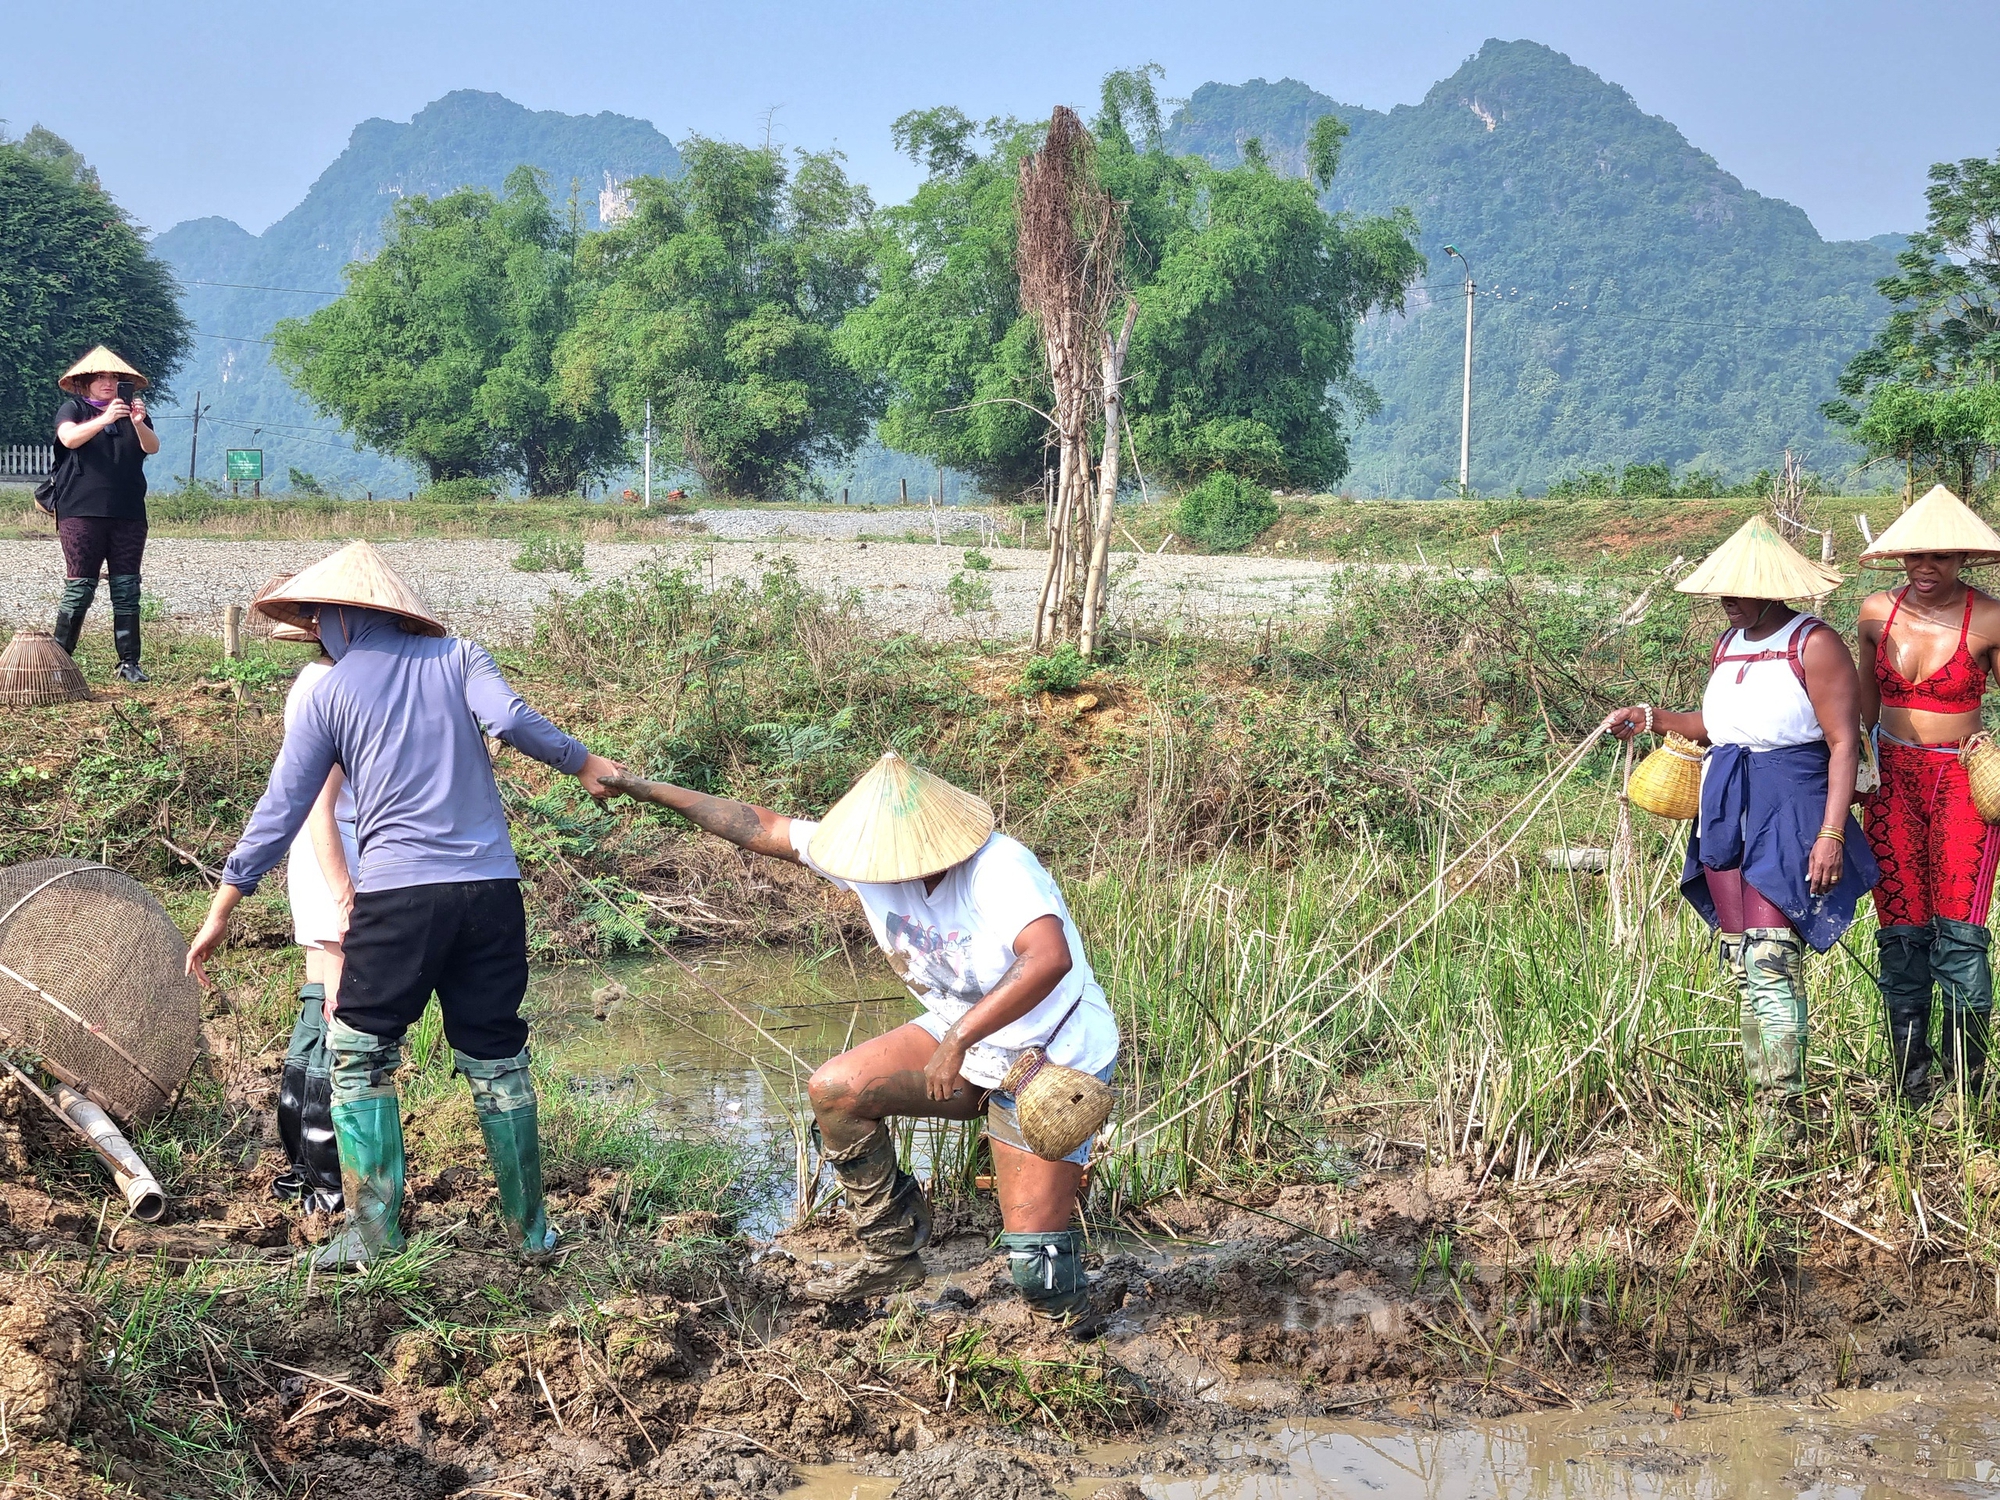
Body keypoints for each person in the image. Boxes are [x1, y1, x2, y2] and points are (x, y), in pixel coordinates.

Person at [183, 541, 623, 1268]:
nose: (317, 631)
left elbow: (281, 809)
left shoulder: (326, 692)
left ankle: (376, 1234)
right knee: (496, 1054)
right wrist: (584, 763)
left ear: (344, 618)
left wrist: (224, 905)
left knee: (357, 1052)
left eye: (319, 618)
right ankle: (532, 1234)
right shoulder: (459, 656)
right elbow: (509, 722)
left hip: (400, 895)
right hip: (491, 893)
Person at [607, 751, 1119, 1329]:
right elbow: (762, 826)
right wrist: (650, 790)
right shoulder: (862, 858)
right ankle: (890, 1250)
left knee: (1037, 1273)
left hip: (1048, 1058)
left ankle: (1077, 1335)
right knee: (837, 1090)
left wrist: (957, 1039)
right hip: (965, 1040)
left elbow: (1048, 958)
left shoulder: (998, 867)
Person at [1607, 515, 1877, 1118]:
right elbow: (1721, 727)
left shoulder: (1815, 644)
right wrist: (1652, 718)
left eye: (1740, 592)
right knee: (1741, 959)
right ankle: (1765, 1093)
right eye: (1723, 593)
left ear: (1772, 587)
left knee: (1771, 954)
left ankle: (1784, 1108)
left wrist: (1831, 832)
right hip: (1727, 798)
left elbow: (1842, 743)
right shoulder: (1727, 647)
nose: (1729, 602)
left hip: (1793, 801)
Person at [1853, 485, 2000, 1104]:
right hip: (1891, 781)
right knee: (1902, 927)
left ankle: (1966, 1088)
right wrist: (1855, 774)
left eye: (1940, 557)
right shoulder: (1874, 613)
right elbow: (1862, 707)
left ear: (1962, 559)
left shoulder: (1989, 618)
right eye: (1915, 556)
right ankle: (1913, 1084)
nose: (1926, 568)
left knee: (1960, 929)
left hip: (1962, 782)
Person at [266, 597, 355, 1212]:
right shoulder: (335, 686)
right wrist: (347, 892)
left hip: (311, 851)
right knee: (337, 1013)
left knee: (316, 999)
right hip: (334, 852)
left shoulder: (311, 678)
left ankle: (301, 1170)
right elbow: (325, 801)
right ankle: (326, 1185)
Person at [50, 347, 161, 683]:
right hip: (81, 511)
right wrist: (105, 419)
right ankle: (59, 663)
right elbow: (68, 439)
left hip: (128, 512)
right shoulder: (75, 408)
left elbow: (151, 447)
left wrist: (138, 423)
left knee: (127, 587)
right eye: (101, 377)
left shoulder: (134, 414)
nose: (109, 383)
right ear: (86, 382)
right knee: (81, 585)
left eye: (115, 378)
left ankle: (130, 663)